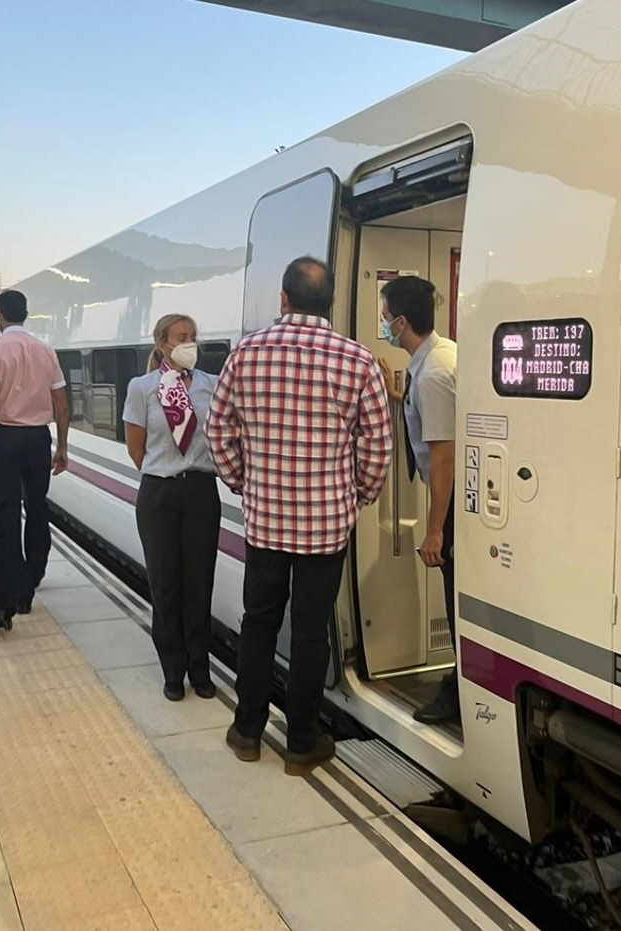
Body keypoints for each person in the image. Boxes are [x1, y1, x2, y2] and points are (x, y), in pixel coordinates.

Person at [210, 256, 392, 776]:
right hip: (327, 527)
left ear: (283, 299)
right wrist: (354, 495)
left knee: (259, 622)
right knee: (311, 633)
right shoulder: (358, 361)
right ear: (329, 302)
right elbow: (377, 448)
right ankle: (301, 742)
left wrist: (246, 482)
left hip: (266, 523)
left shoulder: (246, 353)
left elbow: (218, 432)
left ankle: (247, 731)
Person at [124, 314, 220, 702]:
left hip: (200, 490)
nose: (190, 344)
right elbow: (136, 448)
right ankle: (172, 672)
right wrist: (164, 471)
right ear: (162, 343)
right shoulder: (142, 388)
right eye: (182, 337)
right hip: (159, 494)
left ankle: (201, 669)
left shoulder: (211, 386)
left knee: (199, 584)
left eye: (194, 337)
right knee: (165, 585)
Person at [377, 276, 460, 724]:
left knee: (454, 601)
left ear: (403, 321)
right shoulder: (432, 362)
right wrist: (395, 394)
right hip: (447, 502)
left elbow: (444, 458)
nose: (385, 324)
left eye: (386, 317)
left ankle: (459, 694)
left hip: (451, 511)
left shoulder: (434, 373)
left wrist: (434, 531)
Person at [0, 291, 69, 612]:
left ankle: (16, 586)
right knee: (38, 508)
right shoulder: (46, 351)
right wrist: (62, 445)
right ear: (25, 313)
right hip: (39, 439)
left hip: (5, 440)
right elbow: (61, 404)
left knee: (6, 511)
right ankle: (34, 573)